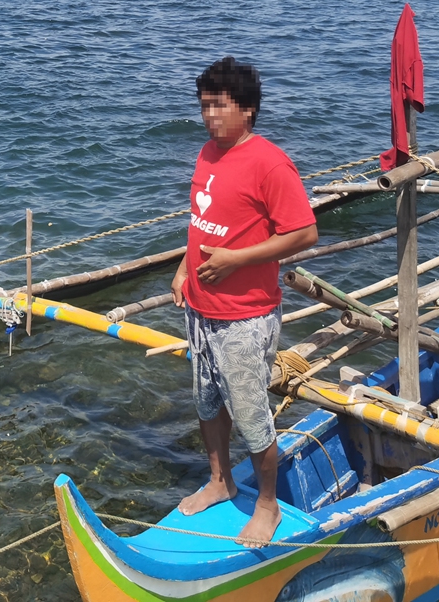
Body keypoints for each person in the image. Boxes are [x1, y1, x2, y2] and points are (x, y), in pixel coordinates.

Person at [170, 56, 318, 547]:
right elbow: (201, 221)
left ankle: (267, 505)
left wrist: (237, 260)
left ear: (248, 110)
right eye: (204, 105)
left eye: (219, 106)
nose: (209, 115)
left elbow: (304, 233)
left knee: (252, 414)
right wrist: (183, 269)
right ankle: (219, 480)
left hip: (245, 316)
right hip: (200, 308)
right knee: (207, 402)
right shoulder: (207, 154)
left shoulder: (270, 162)